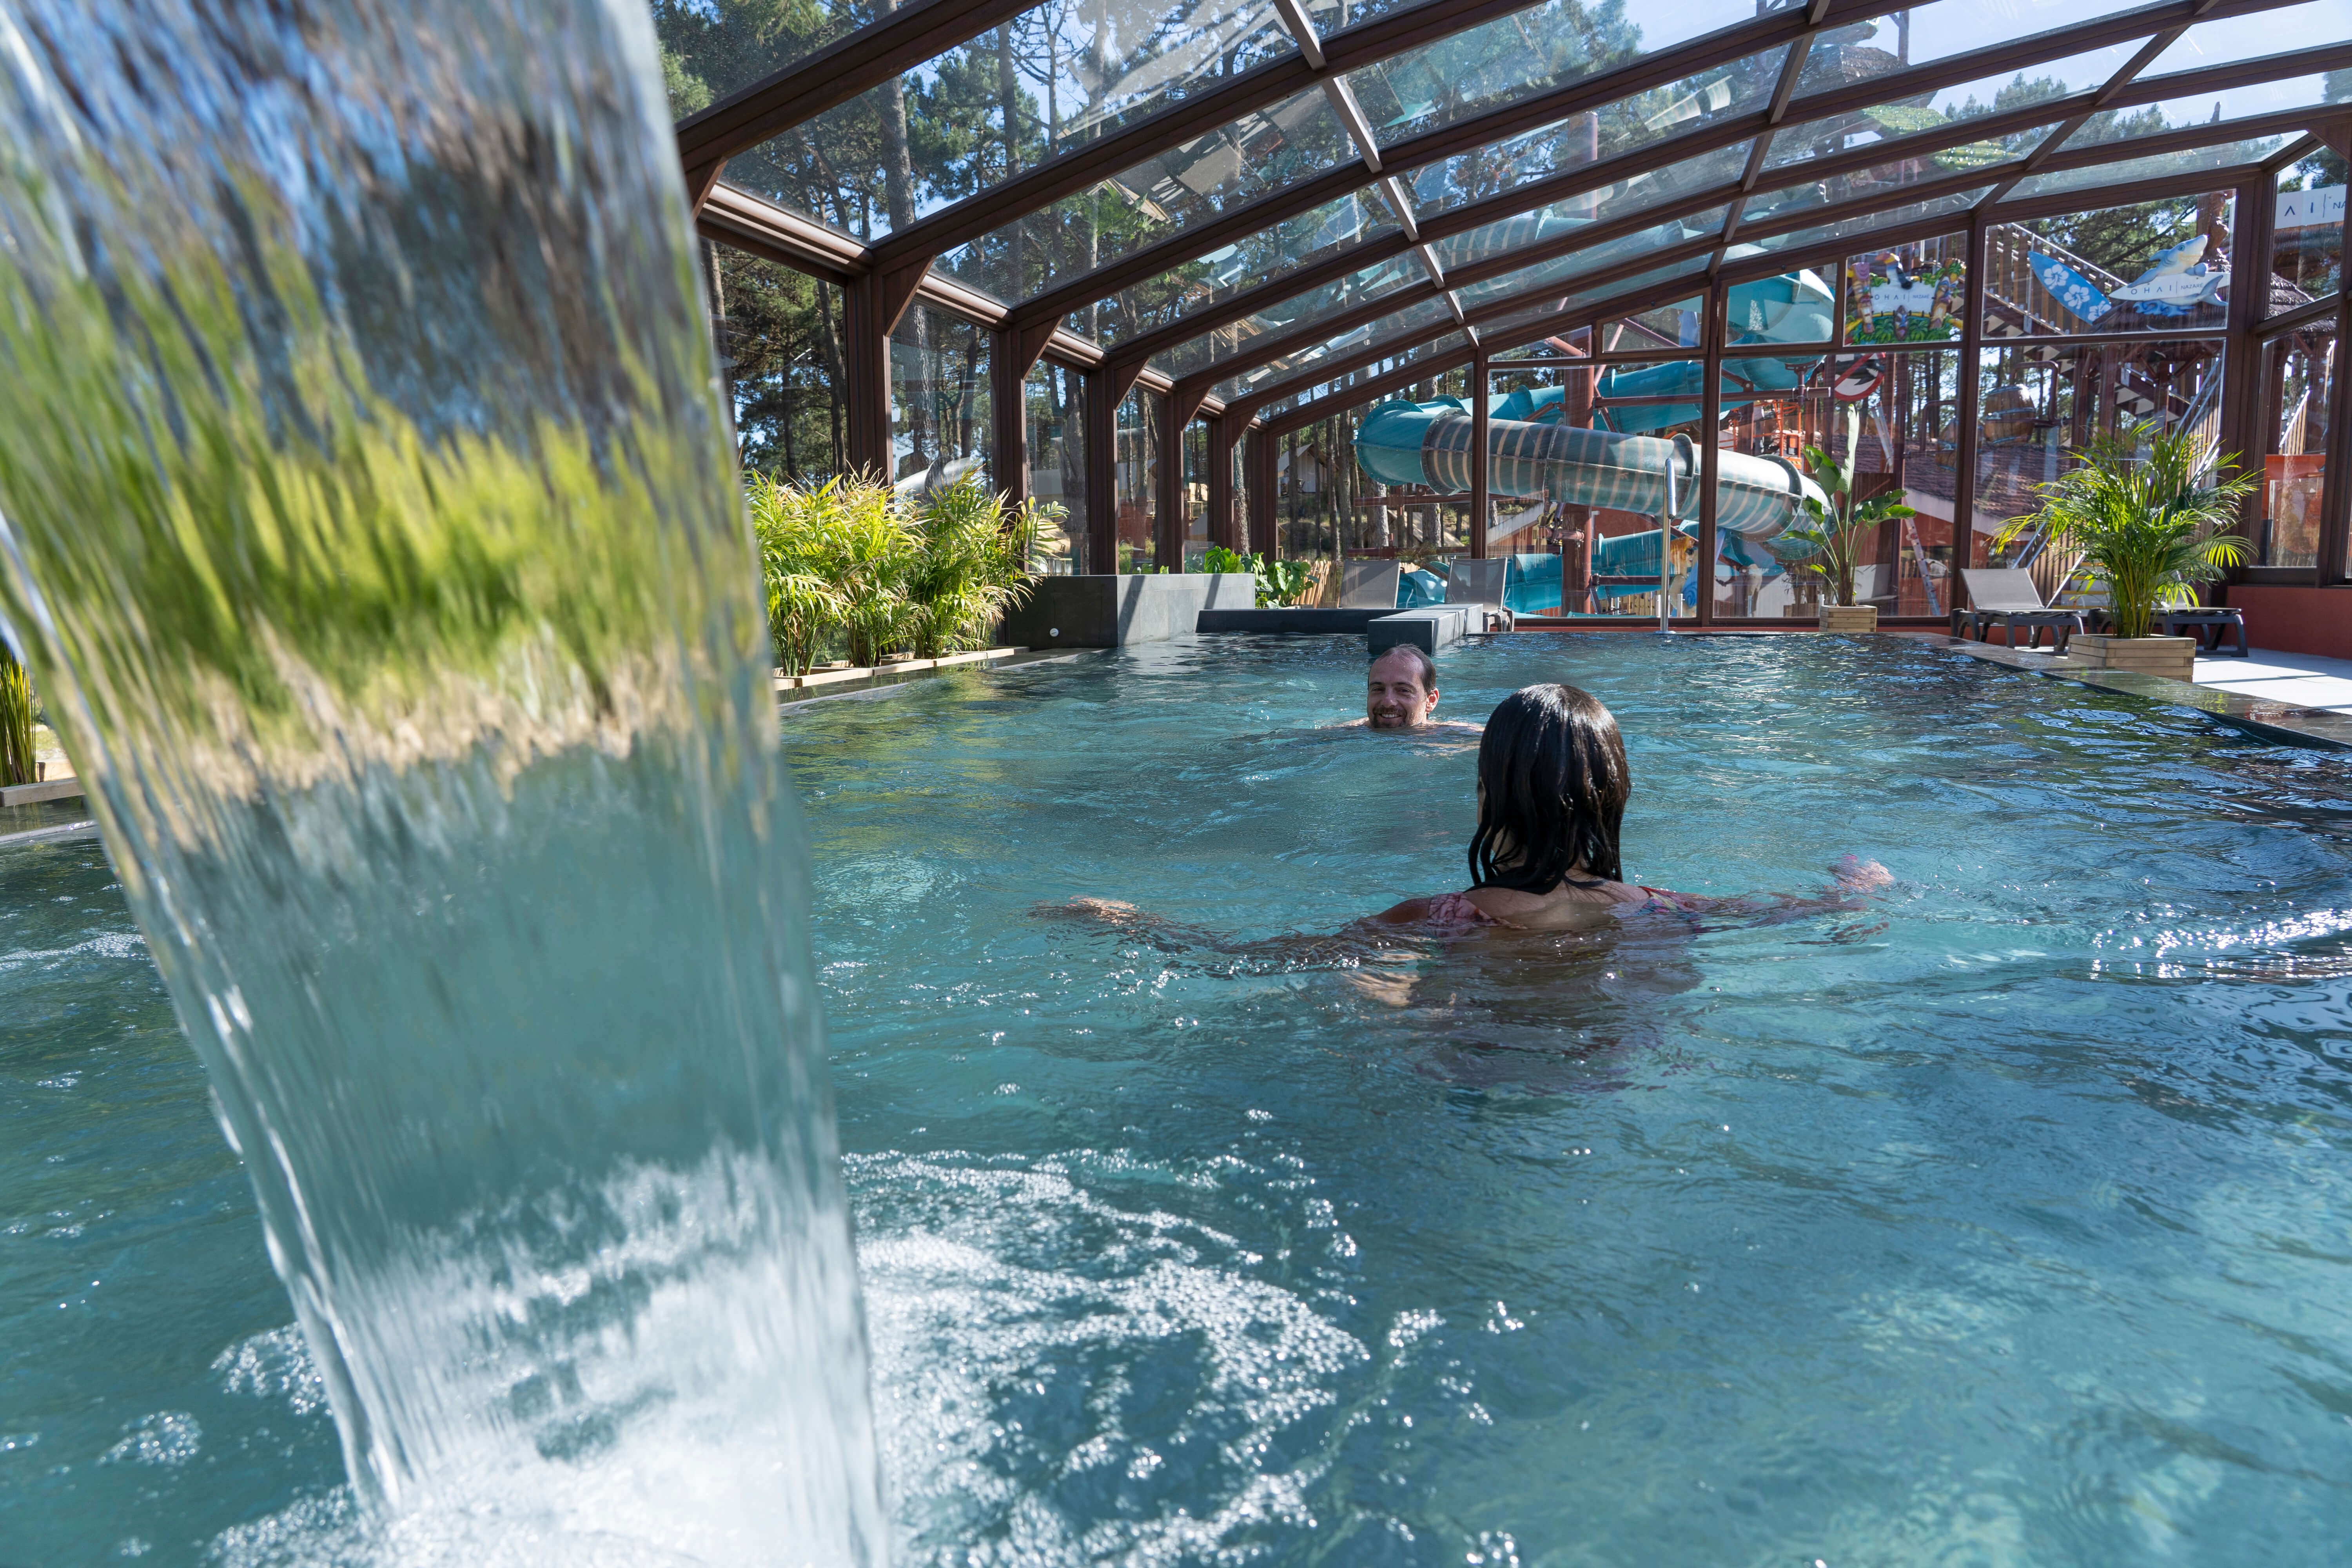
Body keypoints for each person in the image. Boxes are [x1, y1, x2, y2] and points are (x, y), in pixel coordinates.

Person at [1370, 683, 1887, 931]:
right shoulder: (1663, 907)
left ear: (1488, 798)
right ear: (1612, 801)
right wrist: (1859, 887)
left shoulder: (1437, 917)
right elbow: (1793, 910)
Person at [1348, 644, 1481, 733]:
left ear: (1431, 700)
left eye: (1403, 690)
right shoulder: (1344, 735)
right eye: (1378, 689)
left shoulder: (1460, 736)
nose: (1388, 702)